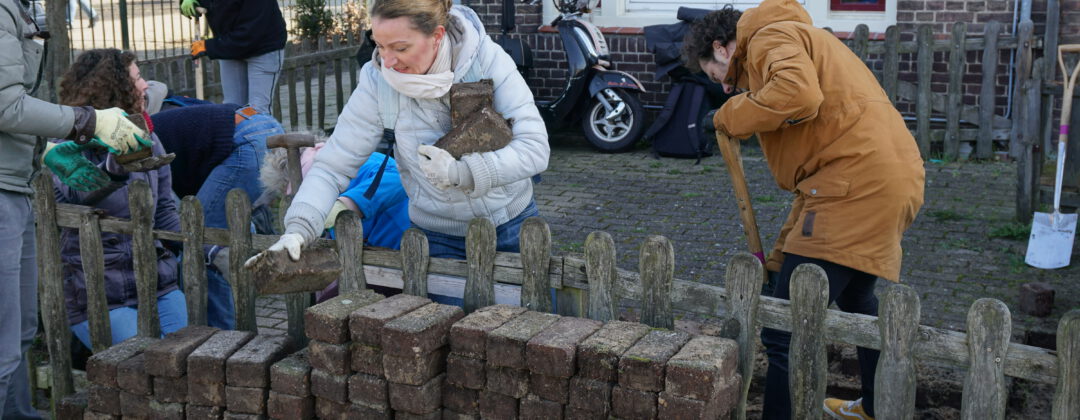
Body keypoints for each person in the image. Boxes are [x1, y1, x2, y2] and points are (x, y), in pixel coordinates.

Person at [687, 1, 924, 419]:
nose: (724, 87)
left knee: (785, 334)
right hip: (877, 177)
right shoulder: (793, 38)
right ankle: (876, 407)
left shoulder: (767, 37)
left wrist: (729, 115)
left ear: (723, 49)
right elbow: (809, 166)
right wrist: (777, 266)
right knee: (857, 301)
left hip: (855, 184)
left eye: (714, 75)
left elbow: (798, 94)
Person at [248, 0, 548, 300]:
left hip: (511, 226)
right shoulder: (378, 81)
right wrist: (299, 227)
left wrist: (462, 172)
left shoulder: (486, 61)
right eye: (380, 45)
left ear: (437, 35)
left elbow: (534, 149)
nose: (387, 61)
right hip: (438, 238)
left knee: (527, 332)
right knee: (454, 337)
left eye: (400, 48)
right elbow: (332, 166)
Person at [0, 0, 146, 414]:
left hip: (13, 184)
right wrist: (88, 120)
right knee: (2, 346)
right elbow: (5, 105)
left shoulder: (18, 9)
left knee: (21, 334)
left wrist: (44, 147)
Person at [54, 49, 189, 348]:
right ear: (112, 88)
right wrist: (114, 169)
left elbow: (165, 209)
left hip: (158, 284)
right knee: (142, 368)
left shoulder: (147, 137)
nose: (145, 86)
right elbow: (77, 193)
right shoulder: (63, 140)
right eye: (137, 78)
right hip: (100, 295)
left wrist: (207, 247)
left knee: (191, 357)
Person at [151, 103, 283, 329]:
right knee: (231, 230)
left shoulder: (142, 145)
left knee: (206, 241)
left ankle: (222, 335)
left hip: (243, 139)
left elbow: (170, 219)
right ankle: (241, 312)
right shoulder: (161, 128)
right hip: (264, 124)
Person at [182, 0, 287, 115]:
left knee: (256, 111)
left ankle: (261, 132)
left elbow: (251, 33)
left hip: (263, 48)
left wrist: (209, 46)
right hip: (230, 47)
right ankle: (237, 133)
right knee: (232, 108)